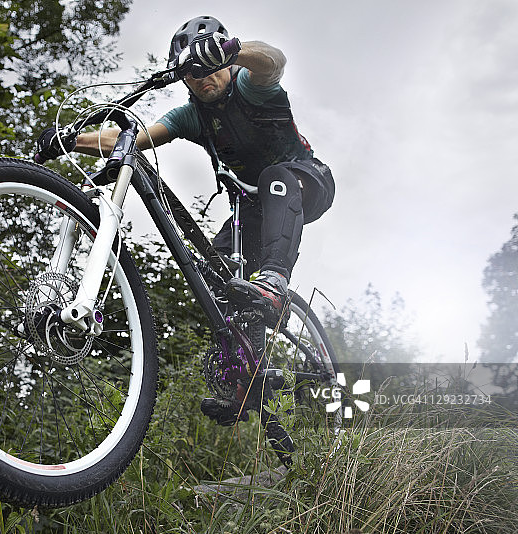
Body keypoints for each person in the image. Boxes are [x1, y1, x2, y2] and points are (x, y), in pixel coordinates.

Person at [36, 16, 335, 431]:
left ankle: (276, 280)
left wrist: (231, 50)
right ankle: (245, 379)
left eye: (208, 66)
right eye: (191, 73)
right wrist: (71, 140)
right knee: (219, 275)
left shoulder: (250, 84)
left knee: (275, 180)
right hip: (251, 206)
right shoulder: (191, 116)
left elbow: (274, 61)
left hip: (302, 179)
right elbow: (131, 140)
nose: (201, 78)